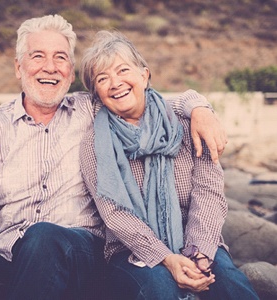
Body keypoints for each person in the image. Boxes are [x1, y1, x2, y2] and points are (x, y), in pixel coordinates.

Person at [0, 15, 226, 300]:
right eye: (37, 56)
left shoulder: (92, 110)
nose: (50, 67)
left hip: (81, 253)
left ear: (71, 74)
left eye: (60, 58)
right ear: (18, 67)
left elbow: (144, 100)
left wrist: (199, 108)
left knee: (43, 237)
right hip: (8, 253)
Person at [79, 30, 259, 300]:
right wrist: (166, 258)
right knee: (159, 289)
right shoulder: (95, 142)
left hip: (197, 239)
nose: (115, 83)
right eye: (102, 79)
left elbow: (209, 194)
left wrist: (198, 252)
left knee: (232, 287)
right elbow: (114, 213)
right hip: (132, 251)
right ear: (97, 93)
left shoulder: (188, 123)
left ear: (144, 75)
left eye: (123, 70)